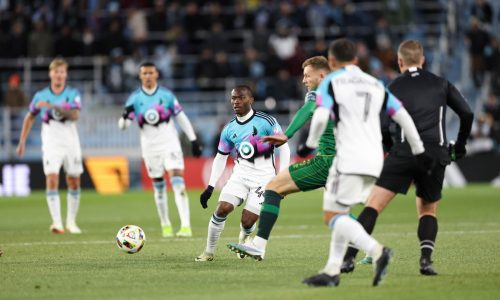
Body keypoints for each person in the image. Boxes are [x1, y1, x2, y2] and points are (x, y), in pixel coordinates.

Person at [301, 38, 432, 287]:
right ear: (356, 60)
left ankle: (377, 251)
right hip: (374, 159)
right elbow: (402, 115)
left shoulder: (331, 81)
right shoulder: (376, 83)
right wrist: (419, 149)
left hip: (348, 157)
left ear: (331, 61)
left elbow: (320, 116)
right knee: (341, 211)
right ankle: (332, 271)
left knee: (332, 216)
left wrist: (309, 143)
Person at [341, 39, 474, 276]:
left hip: (403, 151)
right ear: (422, 60)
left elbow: (381, 125)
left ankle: (348, 259)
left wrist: (392, 149)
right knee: (427, 211)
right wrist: (460, 146)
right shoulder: (441, 83)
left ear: (399, 61)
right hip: (435, 152)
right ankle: (425, 261)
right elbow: (467, 112)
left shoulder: (392, 87)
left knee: (373, 205)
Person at [227, 56, 335, 260]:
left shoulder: (317, 93)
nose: (304, 80)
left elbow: (307, 110)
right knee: (337, 212)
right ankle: (373, 250)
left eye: (307, 75)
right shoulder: (343, 92)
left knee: (273, 187)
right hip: (345, 159)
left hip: (327, 161)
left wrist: (287, 134)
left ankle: (258, 246)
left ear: (322, 75)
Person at [195, 85, 290, 262]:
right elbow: (221, 157)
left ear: (251, 100)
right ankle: (208, 252)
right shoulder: (229, 128)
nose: (236, 102)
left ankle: (244, 239)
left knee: (247, 221)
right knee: (222, 209)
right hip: (240, 176)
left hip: (263, 180)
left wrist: (282, 177)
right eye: (233, 98)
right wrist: (210, 186)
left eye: (240, 98)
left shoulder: (266, 121)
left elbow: (284, 147)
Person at [118, 62, 202, 238]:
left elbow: (181, 118)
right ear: (140, 76)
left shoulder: (167, 96)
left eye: (151, 72)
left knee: (178, 183)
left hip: (170, 143)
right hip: (150, 148)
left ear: (156, 74)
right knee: (159, 187)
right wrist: (125, 117)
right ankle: (165, 224)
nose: (148, 76)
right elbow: (123, 126)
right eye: (144, 73)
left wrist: (193, 139)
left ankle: (185, 226)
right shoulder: (134, 98)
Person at [16, 58, 83, 234]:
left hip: (71, 142)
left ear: (66, 74)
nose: (59, 75)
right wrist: (22, 141)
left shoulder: (73, 93)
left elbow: (74, 116)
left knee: (74, 181)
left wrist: (52, 106)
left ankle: (71, 222)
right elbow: (29, 117)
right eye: (56, 72)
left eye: (62, 72)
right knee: (52, 179)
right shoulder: (40, 95)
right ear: (50, 73)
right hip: (51, 142)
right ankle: (57, 223)